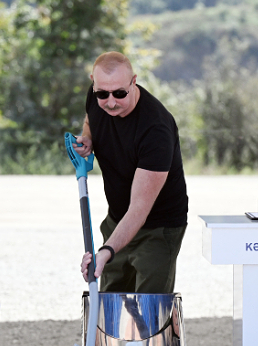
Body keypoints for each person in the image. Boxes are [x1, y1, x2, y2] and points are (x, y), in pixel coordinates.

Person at [74, 51, 188, 293]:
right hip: (117, 219)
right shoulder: (96, 97)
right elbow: (90, 119)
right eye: (102, 93)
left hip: (158, 227)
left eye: (120, 93)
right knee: (111, 301)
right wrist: (88, 138)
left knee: (149, 309)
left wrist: (106, 251)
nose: (111, 101)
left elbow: (139, 209)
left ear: (133, 82)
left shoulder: (155, 129)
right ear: (94, 82)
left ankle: (163, 328)